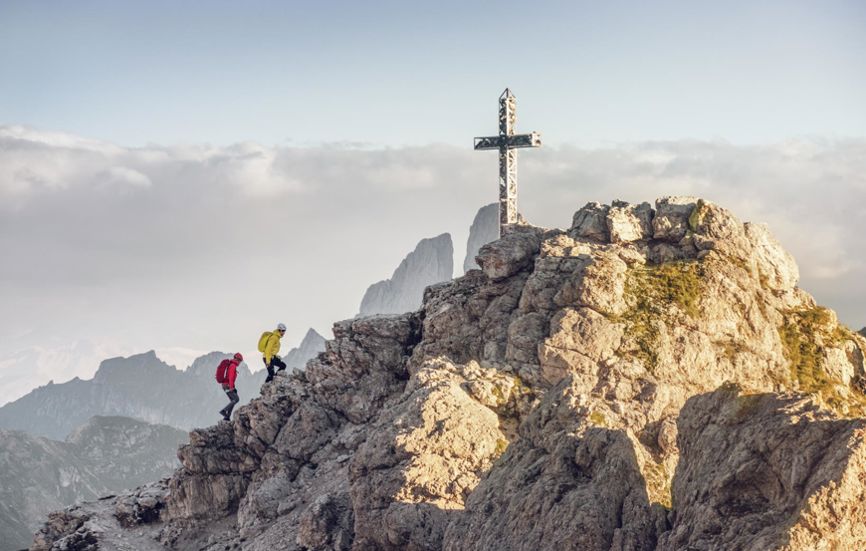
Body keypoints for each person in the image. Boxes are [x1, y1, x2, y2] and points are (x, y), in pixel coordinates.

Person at [217, 353, 243, 421]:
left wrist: (234, 388)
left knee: (233, 400)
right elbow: (231, 378)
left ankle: (227, 417)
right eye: (240, 361)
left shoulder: (231, 365)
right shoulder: (233, 366)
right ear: (238, 360)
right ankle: (224, 411)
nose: (240, 363)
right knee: (236, 399)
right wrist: (231, 388)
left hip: (226, 385)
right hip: (227, 385)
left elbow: (230, 378)